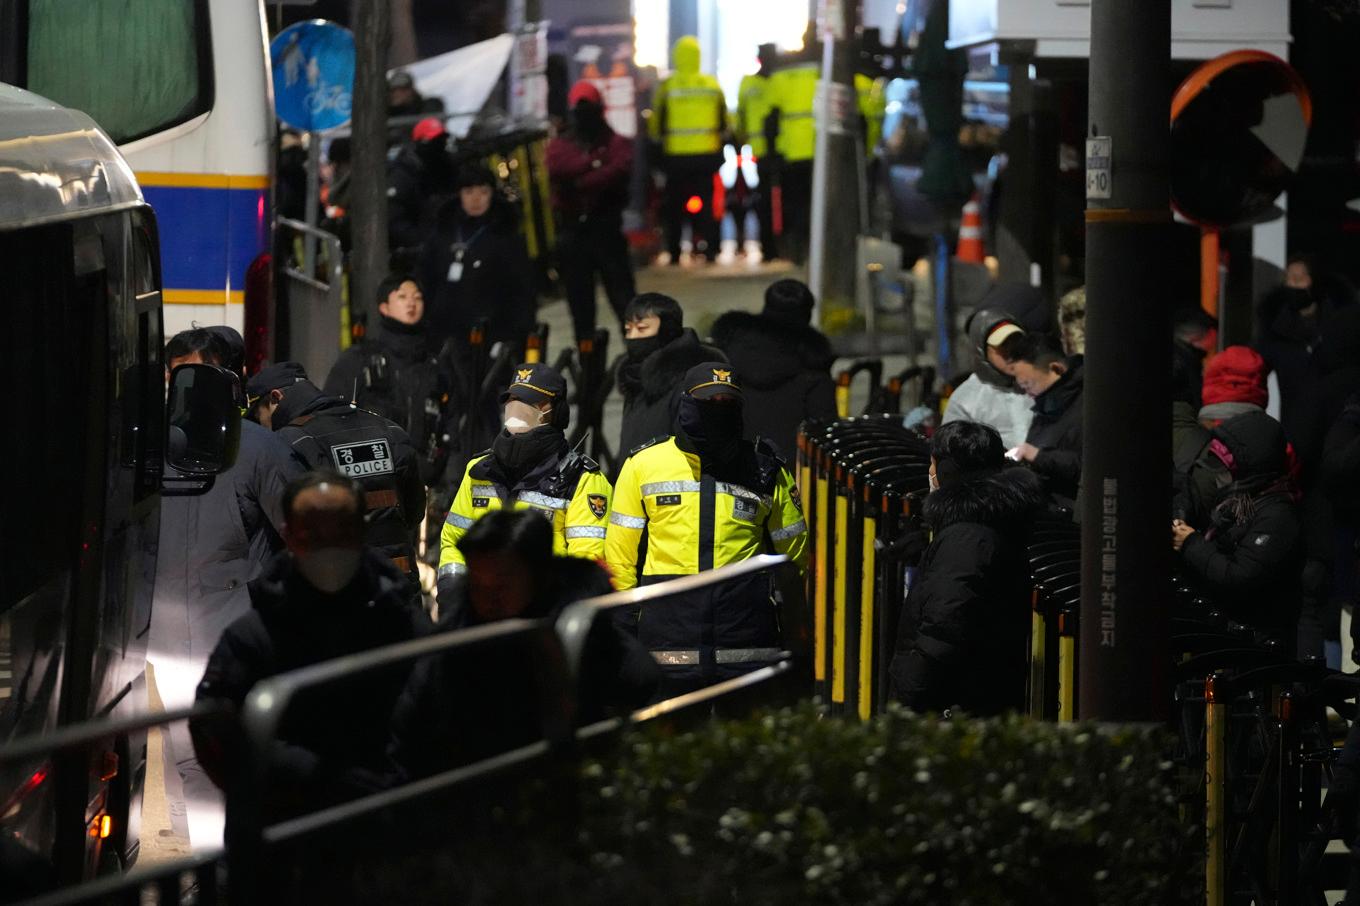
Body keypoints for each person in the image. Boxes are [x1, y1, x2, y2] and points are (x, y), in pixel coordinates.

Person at [191, 473, 430, 822]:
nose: (328, 547)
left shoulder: (400, 624)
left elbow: (442, 717)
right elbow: (215, 734)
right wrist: (305, 783)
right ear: (289, 536)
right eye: (312, 534)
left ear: (362, 533)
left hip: (386, 840)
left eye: (341, 532)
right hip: (285, 845)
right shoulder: (255, 636)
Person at [149, 328, 304, 850]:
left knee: (224, 757)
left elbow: (302, 534)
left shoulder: (258, 448)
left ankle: (227, 873)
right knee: (184, 760)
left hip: (232, 626)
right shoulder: (147, 446)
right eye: (174, 379)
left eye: (193, 376)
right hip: (165, 631)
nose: (182, 391)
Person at [390, 510, 659, 780]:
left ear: (539, 577)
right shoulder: (459, 633)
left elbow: (639, 690)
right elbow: (414, 720)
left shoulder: (583, 635)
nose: (488, 599)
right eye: (478, 586)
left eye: (501, 586)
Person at [606, 364, 809, 693]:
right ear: (685, 403)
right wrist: (625, 624)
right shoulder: (643, 464)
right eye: (707, 401)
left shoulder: (766, 468)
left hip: (746, 644)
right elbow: (620, 554)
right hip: (667, 643)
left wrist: (786, 618)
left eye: (726, 403)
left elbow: (795, 554)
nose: (717, 410)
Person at [888, 421, 1043, 714]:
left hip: (954, 705)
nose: (930, 474)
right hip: (978, 697)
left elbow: (944, 627)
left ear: (947, 470)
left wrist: (907, 693)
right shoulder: (985, 524)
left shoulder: (966, 539)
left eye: (933, 464)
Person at [437, 364, 613, 604]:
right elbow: (454, 542)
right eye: (513, 400)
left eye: (531, 404)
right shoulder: (480, 470)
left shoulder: (582, 480)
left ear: (557, 412)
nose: (518, 410)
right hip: (481, 613)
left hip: (541, 620)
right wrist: (453, 596)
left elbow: (585, 564)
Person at [247, 363, 425, 592]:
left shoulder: (288, 443)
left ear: (275, 398)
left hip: (341, 595)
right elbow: (414, 512)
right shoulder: (389, 429)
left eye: (258, 416)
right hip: (398, 587)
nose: (262, 426)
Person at [1173, 411, 1303, 646]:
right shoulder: (1240, 499)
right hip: (1229, 630)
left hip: (1258, 644)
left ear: (1250, 466)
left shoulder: (1278, 516)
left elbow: (1240, 575)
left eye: (1228, 465)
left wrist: (1191, 543)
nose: (1221, 474)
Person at [324, 274, 451, 486]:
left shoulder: (433, 366)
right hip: (366, 480)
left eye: (417, 297)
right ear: (384, 307)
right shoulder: (359, 359)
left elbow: (448, 423)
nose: (411, 303)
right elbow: (330, 417)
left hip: (419, 482)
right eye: (402, 297)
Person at [546, 79, 636, 345]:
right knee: (582, 311)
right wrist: (595, 164)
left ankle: (639, 362)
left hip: (606, 231)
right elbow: (559, 167)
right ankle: (589, 373)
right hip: (574, 236)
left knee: (626, 306)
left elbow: (619, 168)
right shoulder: (563, 145)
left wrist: (581, 179)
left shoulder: (616, 142)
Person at [1255, 252, 1360, 480]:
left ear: (1314, 281)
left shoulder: (1338, 326)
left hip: (1340, 424)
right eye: (1289, 279)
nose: (1294, 285)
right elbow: (1254, 374)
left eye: (1300, 278)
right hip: (1296, 426)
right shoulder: (1276, 331)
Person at [709, 278, 836, 460]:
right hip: (790, 475)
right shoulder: (813, 365)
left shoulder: (728, 350)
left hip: (731, 467)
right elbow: (824, 431)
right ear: (807, 313)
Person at [420, 164, 536, 355]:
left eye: (483, 192)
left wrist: (513, 336)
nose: (476, 199)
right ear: (459, 195)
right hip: (446, 333)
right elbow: (427, 278)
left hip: (493, 334)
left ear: (492, 194)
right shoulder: (443, 232)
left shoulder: (505, 235)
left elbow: (522, 289)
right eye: (468, 192)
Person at [612, 293, 728, 460]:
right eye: (628, 330)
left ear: (667, 329)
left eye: (642, 328)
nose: (632, 337)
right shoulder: (634, 377)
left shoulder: (691, 380)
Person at [648, 35, 726, 265]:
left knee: (674, 208)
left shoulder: (667, 86)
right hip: (706, 156)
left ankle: (674, 252)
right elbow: (725, 122)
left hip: (676, 158)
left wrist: (657, 149)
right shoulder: (711, 85)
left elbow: (655, 125)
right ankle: (711, 250)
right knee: (707, 205)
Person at [1004, 333, 1084, 509]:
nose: (1027, 393)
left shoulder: (1087, 405)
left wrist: (1038, 456)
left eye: (1028, 384)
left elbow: (1088, 465)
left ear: (1056, 369)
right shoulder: (1047, 404)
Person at [941, 309, 1033, 450]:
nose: (1011, 351)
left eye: (1016, 343)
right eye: (1002, 346)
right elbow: (952, 454)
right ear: (981, 350)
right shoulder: (965, 400)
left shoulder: (1038, 386)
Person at [763, 56, 819, 265]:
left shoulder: (779, 78)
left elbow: (771, 120)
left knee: (794, 205)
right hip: (817, 153)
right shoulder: (821, 73)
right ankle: (811, 247)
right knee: (814, 204)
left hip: (790, 154)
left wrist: (771, 153)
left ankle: (796, 248)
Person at [388, 117, 456, 259]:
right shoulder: (404, 174)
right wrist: (423, 241)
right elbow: (395, 219)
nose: (439, 146)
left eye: (441, 141)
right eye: (434, 141)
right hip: (417, 251)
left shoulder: (446, 170)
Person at [736, 43, 779, 261]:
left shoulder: (778, 82)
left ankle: (774, 247)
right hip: (759, 154)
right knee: (763, 202)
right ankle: (770, 247)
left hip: (777, 152)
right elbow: (740, 118)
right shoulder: (753, 82)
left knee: (769, 203)